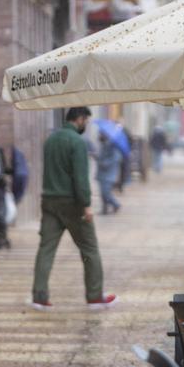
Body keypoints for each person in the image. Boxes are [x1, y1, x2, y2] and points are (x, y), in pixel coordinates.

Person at [30, 107, 116, 311]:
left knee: (46, 248)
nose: (86, 125)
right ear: (79, 119)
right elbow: (80, 177)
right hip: (72, 203)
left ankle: (39, 296)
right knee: (89, 248)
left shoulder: (50, 140)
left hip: (49, 200)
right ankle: (94, 296)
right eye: (86, 120)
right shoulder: (77, 142)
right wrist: (86, 204)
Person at [96, 132, 123, 215]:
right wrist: (96, 157)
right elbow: (101, 157)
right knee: (103, 193)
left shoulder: (112, 146)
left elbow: (117, 158)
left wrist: (105, 163)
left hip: (109, 174)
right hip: (102, 174)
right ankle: (104, 209)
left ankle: (116, 204)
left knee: (106, 192)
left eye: (101, 134)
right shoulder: (103, 145)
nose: (99, 135)